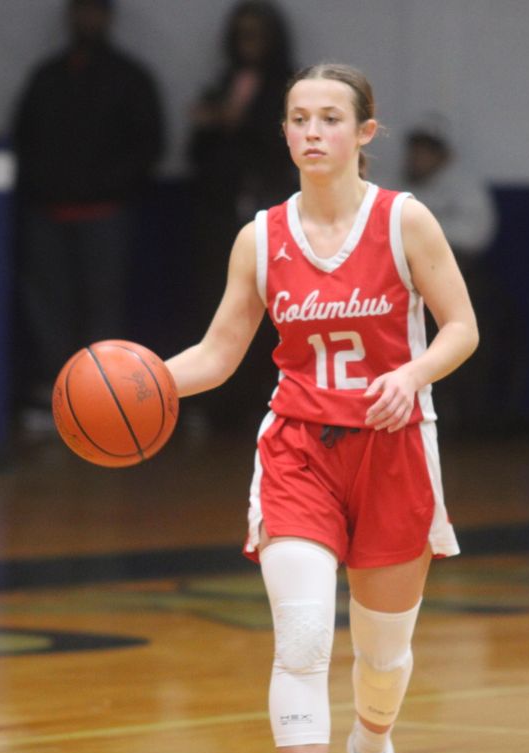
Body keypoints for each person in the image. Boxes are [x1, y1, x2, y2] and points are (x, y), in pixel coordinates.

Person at [165, 63, 478, 753]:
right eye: (299, 118)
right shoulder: (260, 238)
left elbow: (462, 327)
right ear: (283, 133)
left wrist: (413, 373)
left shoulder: (404, 220)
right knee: (303, 640)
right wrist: (146, 383)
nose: (313, 131)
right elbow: (217, 355)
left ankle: (372, 741)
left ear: (364, 132)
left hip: (394, 447)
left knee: (383, 657)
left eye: (330, 119)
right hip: (299, 447)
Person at [11, 0, 164, 417]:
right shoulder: (48, 76)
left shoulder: (129, 77)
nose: (87, 20)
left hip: (105, 212)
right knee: (48, 306)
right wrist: (42, 188)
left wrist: (108, 187)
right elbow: (23, 138)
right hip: (48, 212)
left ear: (108, 18)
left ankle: (97, 398)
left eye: (95, 12)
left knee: (103, 308)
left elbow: (148, 145)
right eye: (80, 11)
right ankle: (58, 394)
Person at [183, 0, 299, 433]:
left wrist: (240, 122)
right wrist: (215, 123)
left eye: (257, 34)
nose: (249, 43)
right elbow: (195, 152)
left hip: (272, 213)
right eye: (242, 34)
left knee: (274, 313)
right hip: (220, 220)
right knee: (219, 310)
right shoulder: (220, 85)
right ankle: (216, 407)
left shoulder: (289, 90)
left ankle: (264, 401)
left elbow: (283, 150)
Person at [401, 118, 519, 430]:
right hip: (404, 283)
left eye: (428, 151)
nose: (419, 157)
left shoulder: (465, 189)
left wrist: (425, 236)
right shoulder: (394, 187)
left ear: (444, 155)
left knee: (467, 335)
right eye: (416, 150)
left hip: (459, 275)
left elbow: (477, 234)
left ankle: (467, 417)